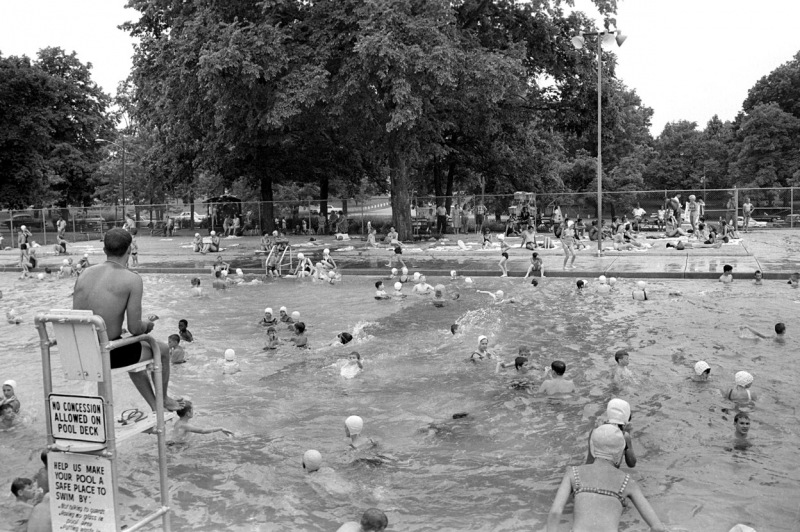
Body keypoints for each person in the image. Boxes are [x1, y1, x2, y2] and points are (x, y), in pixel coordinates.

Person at [73, 228, 182, 411]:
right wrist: (147, 325)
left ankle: (155, 406)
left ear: (104, 250)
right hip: (106, 353)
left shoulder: (84, 273)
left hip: (78, 351)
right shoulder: (132, 279)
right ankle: (163, 399)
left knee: (132, 347)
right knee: (161, 349)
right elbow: (135, 328)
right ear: (129, 250)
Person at [547, 424, 666, 532]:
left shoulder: (573, 473)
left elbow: (555, 512)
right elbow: (658, 528)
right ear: (620, 453)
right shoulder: (627, 482)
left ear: (593, 449)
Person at [586, 399, 637, 468]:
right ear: (627, 416)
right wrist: (627, 437)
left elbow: (589, 460)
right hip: (611, 473)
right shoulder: (624, 435)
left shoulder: (595, 431)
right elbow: (632, 463)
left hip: (591, 470)